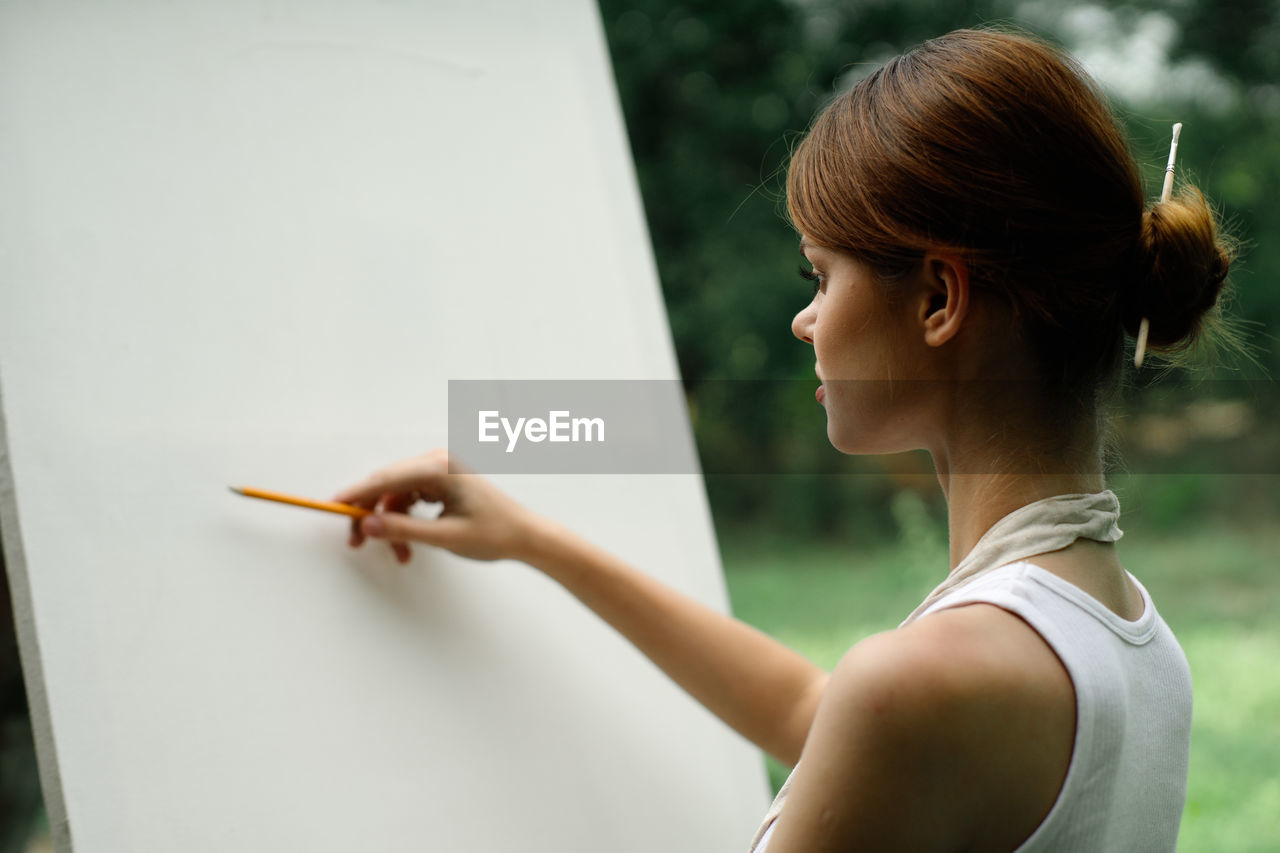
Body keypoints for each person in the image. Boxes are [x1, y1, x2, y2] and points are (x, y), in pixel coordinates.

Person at [331, 27, 1234, 852]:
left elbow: (862, 712)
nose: (805, 321)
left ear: (936, 299)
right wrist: (529, 538)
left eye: (821, 273)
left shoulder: (927, 685)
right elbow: (817, 708)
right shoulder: (1135, 648)